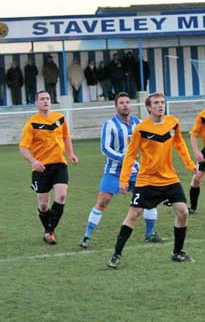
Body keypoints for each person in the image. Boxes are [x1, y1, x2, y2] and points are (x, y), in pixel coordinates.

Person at [107, 92, 197, 268]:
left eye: (162, 102)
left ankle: (177, 252)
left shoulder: (173, 123)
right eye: (156, 103)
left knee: (183, 212)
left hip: (170, 178)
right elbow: (131, 155)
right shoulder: (141, 129)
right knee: (133, 214)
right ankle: (116, 254)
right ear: (149, 107)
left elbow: (180, 144)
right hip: (147, 180)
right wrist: (124, 179)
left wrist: (189, 163)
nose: (160, 105)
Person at [79, 92, 163, 249]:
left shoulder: (139, 123)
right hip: (113, 171)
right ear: (116, 106)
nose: (125, 105)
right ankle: (87, 236)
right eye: (122, 102)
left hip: (136, 171)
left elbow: (148, 145)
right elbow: (105, 148)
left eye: (127, 102)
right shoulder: (109, 125)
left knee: (148, 199)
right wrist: (123, 158)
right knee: (103, 201)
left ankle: (150, 233)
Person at [19, 90, 79, 244]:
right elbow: (23, 147)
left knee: (62, 196)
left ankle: (49, 231)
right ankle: (49, 231)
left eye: (48, 98)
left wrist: (71, 153)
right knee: (44, 204)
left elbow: (66, 136)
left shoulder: (59, 118)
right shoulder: (31, 123)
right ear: (36, 103)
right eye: (42, 99)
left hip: (59, 164)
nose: (46, 101)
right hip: (41, 168)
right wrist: (33, 161)